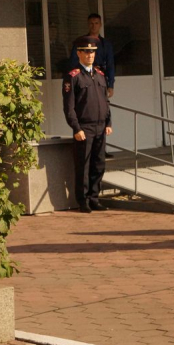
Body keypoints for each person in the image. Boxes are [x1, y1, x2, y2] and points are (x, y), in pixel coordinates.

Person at [63, 36, 113, 213]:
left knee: (99, 164)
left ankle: (94, 198)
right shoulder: (73, 77)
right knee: (83, 165)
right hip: (84, 128)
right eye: (86, 52)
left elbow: (105, 102)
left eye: (92, 52)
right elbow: (69, 107)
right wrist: (76, 128)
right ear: (79, 54)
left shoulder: (100, 75)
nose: (90, 55)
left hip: (100, 127)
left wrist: (108, 122)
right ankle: (83, 200)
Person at [70, 13, 116, 97]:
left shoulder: (106, 44)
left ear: (100, 25)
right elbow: (73, 62)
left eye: (96, 23)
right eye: (91, 23)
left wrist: (111, 85)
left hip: (101, 78)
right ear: (88, 24)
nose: (94, 26)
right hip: (83, 77)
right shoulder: (80, 42)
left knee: (102, 105)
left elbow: (110, 65)